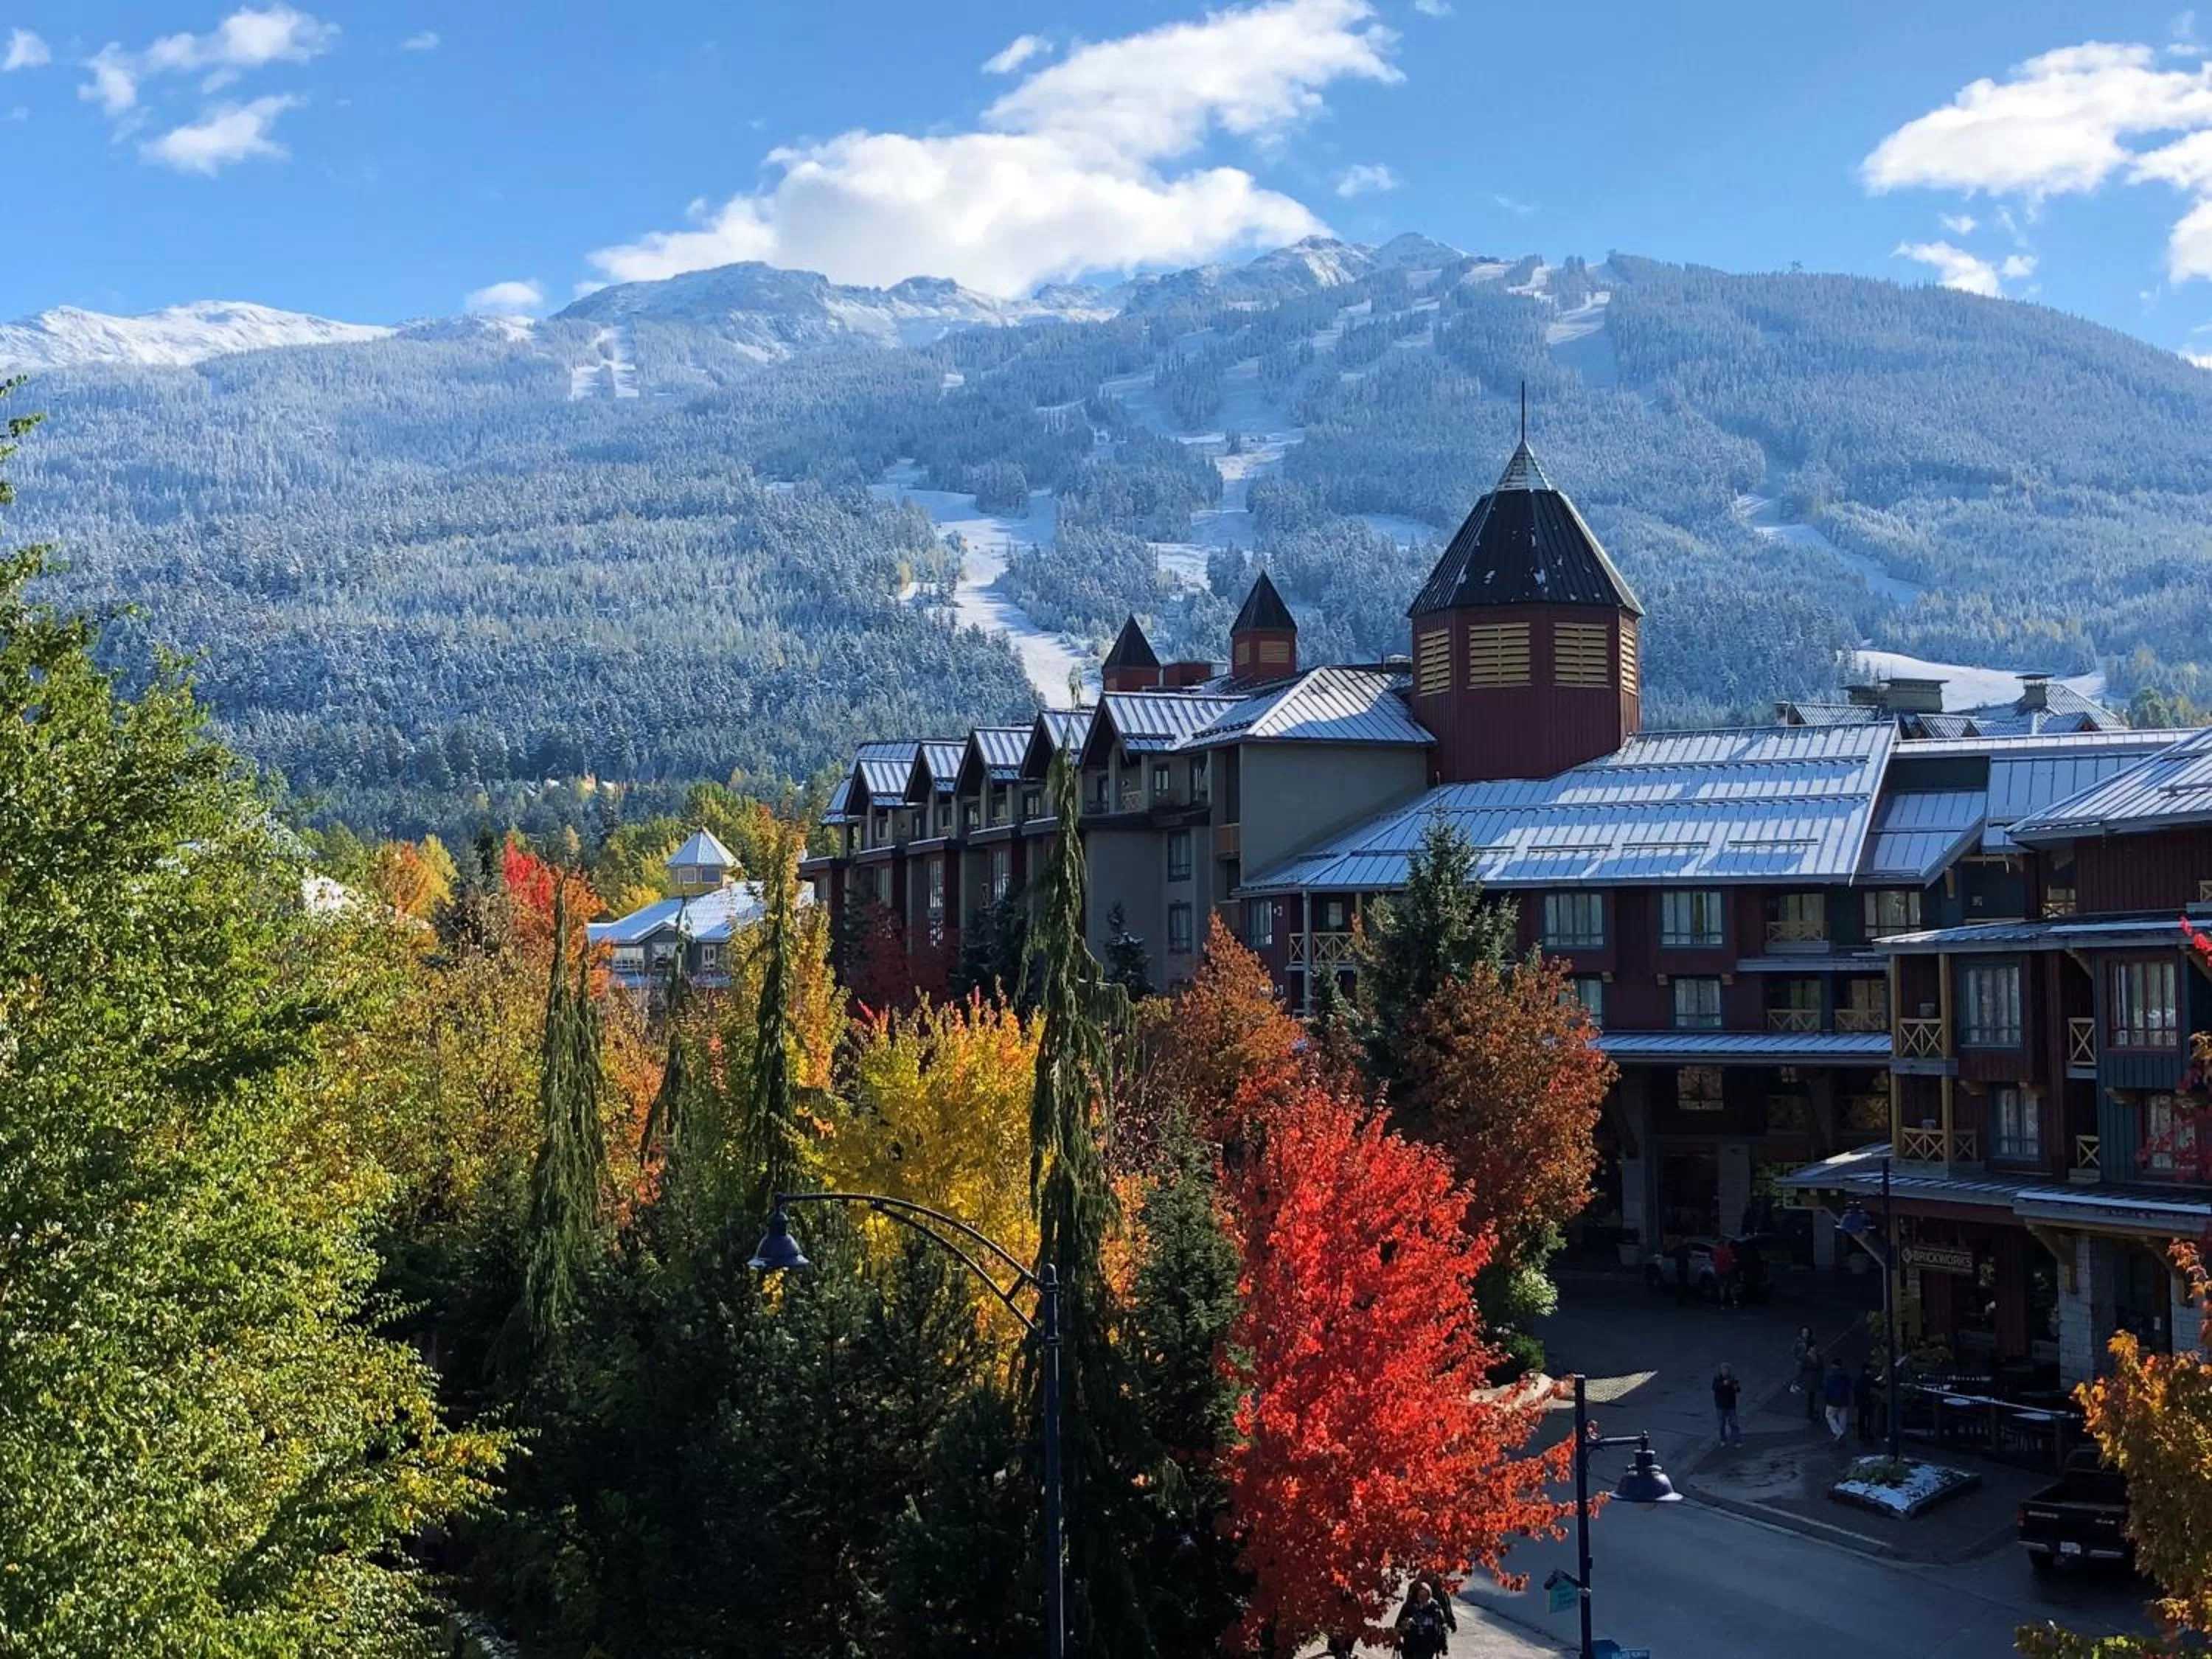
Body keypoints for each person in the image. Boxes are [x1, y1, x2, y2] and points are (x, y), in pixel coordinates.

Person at [1397, 1579, 1452, 1659]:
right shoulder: (1410, 1607)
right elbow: (1399, 1625)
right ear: (1416, 1595)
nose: (1423, 1598)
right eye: (1420, 1595)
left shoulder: (1434, 1608)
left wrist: (1443, 1645)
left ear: (1429, 1595)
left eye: (1425, 1595)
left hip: (1428, 1648)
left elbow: (1442, 1627)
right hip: (1411, 1647)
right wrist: (1398, 1640)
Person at [1792, 1327, 1820, 1422]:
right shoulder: (1799, 1342)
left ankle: (1811, 1410)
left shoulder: (1812, 1343)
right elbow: (1794, 1351)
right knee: (1809, 1394)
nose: (1805, 1334)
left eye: (1807, 1333)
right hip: (1807, 1374)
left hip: (1812, 1377)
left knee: (1811, 1395)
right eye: (1804, 1333)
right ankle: (1810, 1411)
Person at [1822, 1357, 1853, 1442]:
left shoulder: (1830, 1375)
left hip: (1833, 1399)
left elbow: (1828, 1388)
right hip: (1844, 1398)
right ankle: (1842, 1432)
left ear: (1833, 1365)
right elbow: (1850, 1385)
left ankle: (1838, 1432)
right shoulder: (1845, 1374)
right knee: (1843, 1417)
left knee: (1829, 1415)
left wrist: (1827, 1399)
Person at [1712, 1362, 1743, 1447]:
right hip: (1720, 1405)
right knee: (1721, 1424)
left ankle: (1737, 1440)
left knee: (1734, 1423)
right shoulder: (1717, 1378)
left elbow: (1738, 1390)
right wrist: (1723, 1384)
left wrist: (1735, 1387)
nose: (1725, 1372)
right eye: (1723, 1370)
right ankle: (1723, 1439)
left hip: (1731, 1404)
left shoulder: (1732, 1379)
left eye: (1727, 1370)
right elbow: (1715, 1387)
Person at [1854, 1360, 1879, 1440]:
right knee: (1870, 1418)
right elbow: (1878, 1385)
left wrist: (1856, 1401)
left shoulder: (1859, 1379)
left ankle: (1861, 1434)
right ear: (1867, 1370)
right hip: (1869, 1401)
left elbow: (1856, 1390)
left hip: (1861, 1401)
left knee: (1861, 1418)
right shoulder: (1870, 1379)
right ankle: (1870, 1434)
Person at [1711, 1237, 1739, 1309]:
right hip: (1729, 1270)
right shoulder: (1729, 1250)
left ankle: (1722, 1302)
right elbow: (1733, 1260)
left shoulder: (1716, 1251)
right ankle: (1734, 1302)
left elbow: (1714, 1260)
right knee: (1732, 1287)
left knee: (1721, 1287)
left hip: (1719, 1271)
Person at [1674, 1237, 1694, 1306]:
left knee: (1681, 1283)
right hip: (1683, 1268)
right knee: (1682, 1284)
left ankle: (1681, 1299)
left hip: (1680, 1268)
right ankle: (1682, 1299)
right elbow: (1687, 1256)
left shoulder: (1679, 1249)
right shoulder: (1684, 1249)